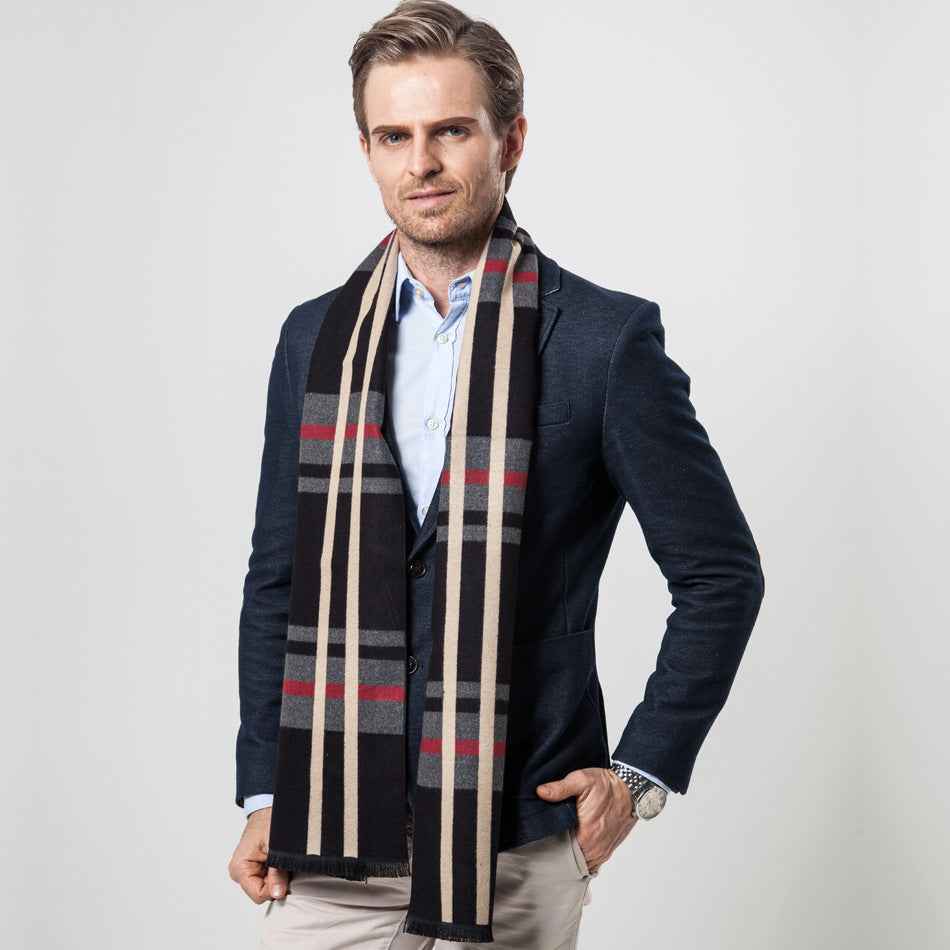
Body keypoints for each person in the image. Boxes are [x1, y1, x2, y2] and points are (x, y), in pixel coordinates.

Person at [228, 2, 765, 946]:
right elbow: (280, 577)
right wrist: (266, 788)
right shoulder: (313, 338)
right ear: (367, 152)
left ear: (510, 141)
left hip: (519, 833)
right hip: (329, 830)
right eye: (394, 136)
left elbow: (721, 574)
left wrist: (638, 777)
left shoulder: (601, 341)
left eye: (451, 131)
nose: (421, 164)